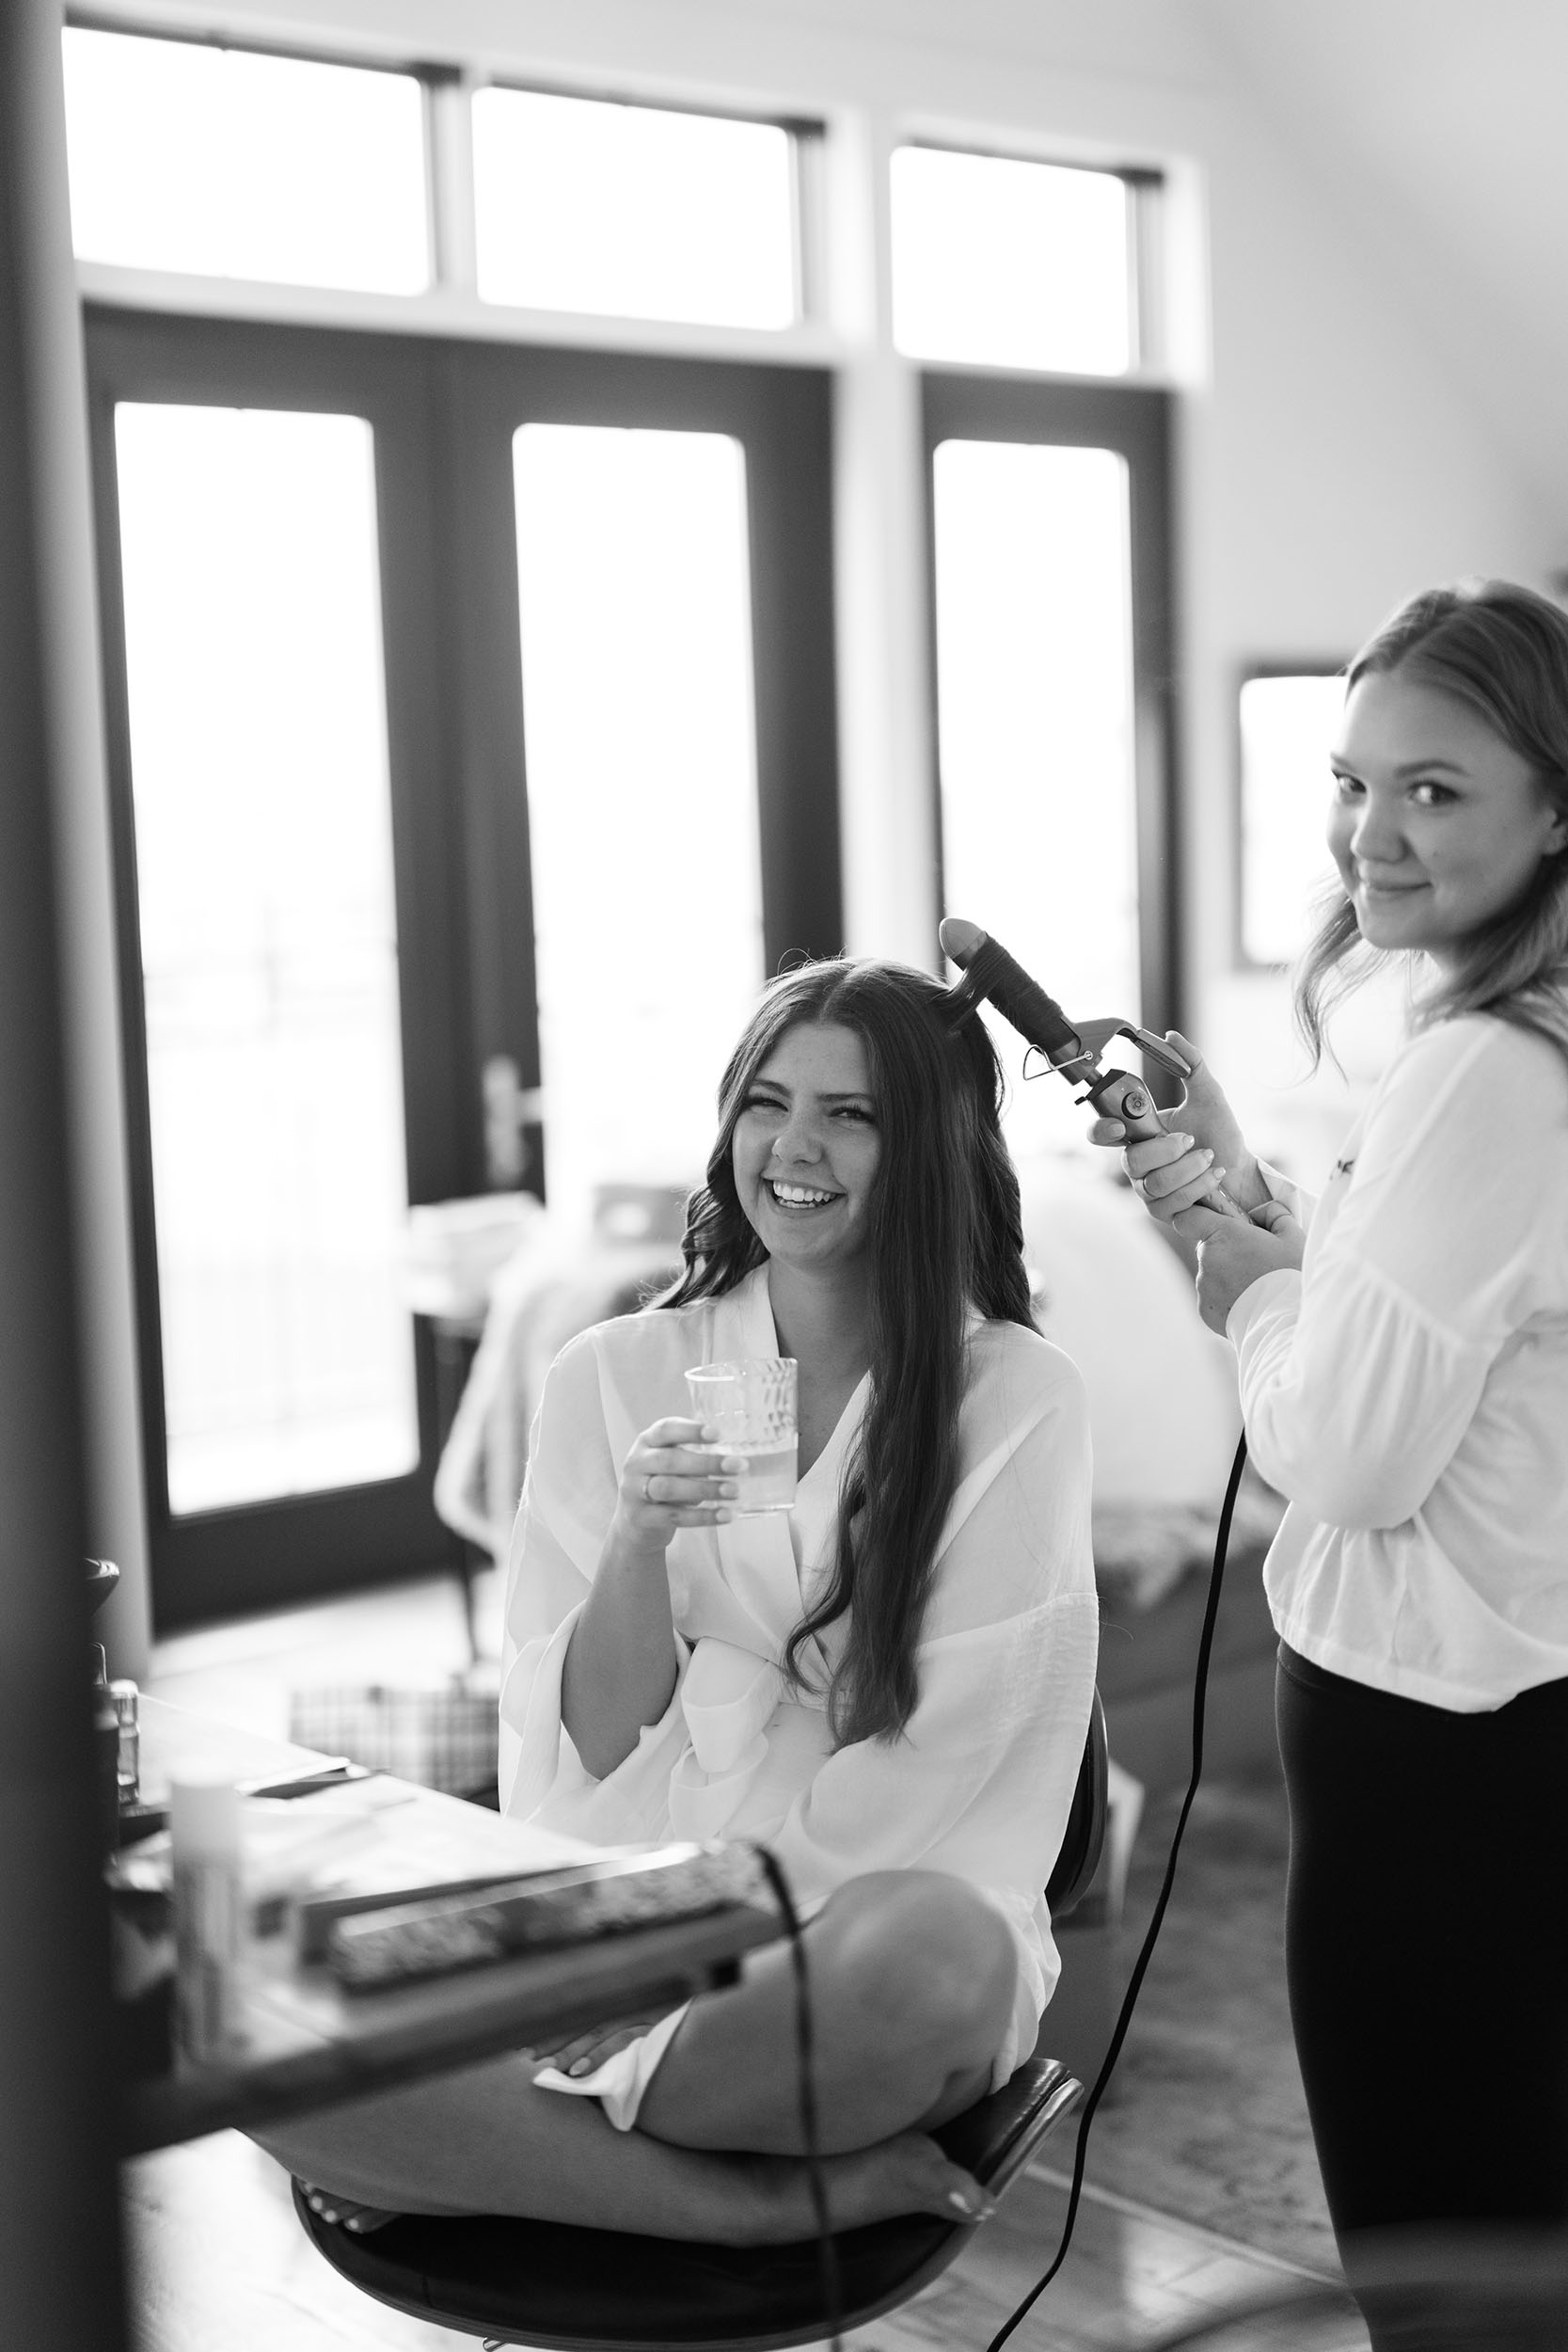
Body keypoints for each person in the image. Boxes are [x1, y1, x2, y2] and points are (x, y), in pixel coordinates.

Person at [261, 957, 1098, 2248]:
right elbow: (585, 1743)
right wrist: (639, 1544)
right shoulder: (614, 1371)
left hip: (852, 1918)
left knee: (937, 1956)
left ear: (930, 1147)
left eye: (853, 1114)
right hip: (626, 1882)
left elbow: (953, 1771)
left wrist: (691, 1941)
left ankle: (508, 2138)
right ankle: (742, 2207)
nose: (795, 1146)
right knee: (248, 2009)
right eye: (768, 1102)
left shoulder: (1016, 1399)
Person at [1092, 580, 1568, 2272]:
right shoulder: (1513, 1050)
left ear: (1558, 803)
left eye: (1434, 789)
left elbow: (1352, 1456)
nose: (1372, 832)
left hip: (1439, 1757)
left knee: (1443, 2255)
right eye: (1354, 781)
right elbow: (1450, 1344)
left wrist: (1238, 1287)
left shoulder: (1490, 1072)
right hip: (1524, 1722)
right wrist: (1263, 1215)